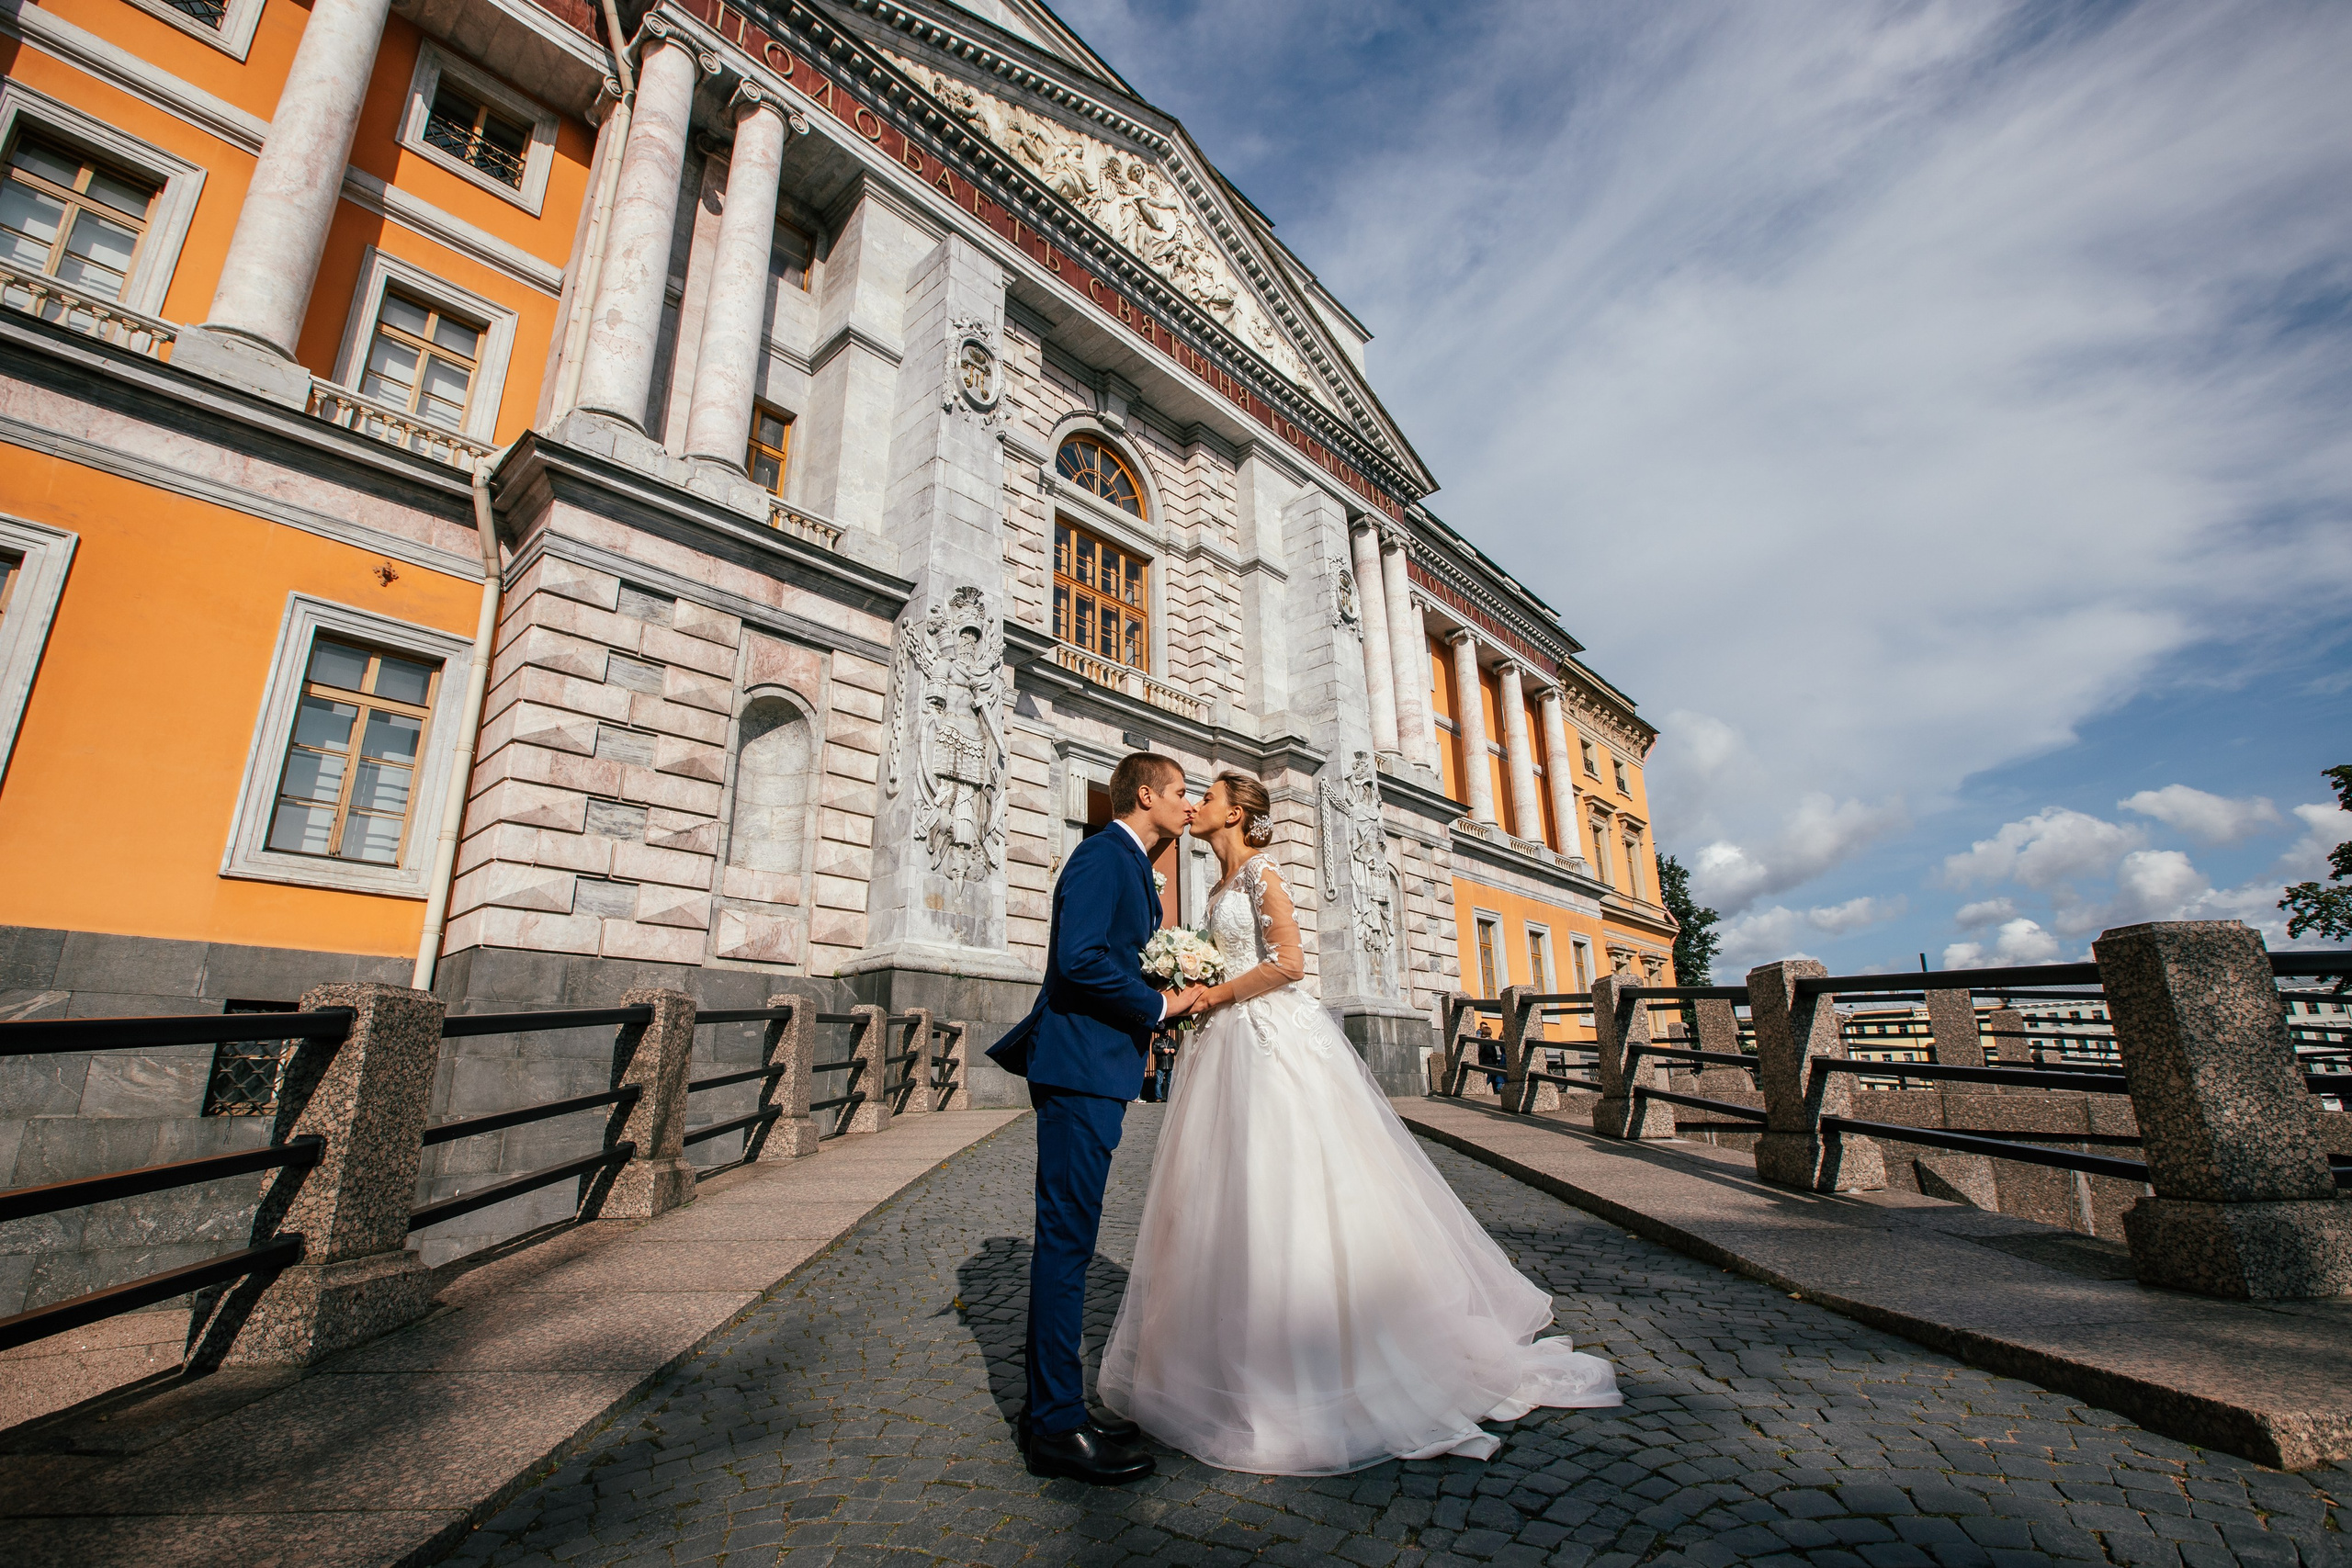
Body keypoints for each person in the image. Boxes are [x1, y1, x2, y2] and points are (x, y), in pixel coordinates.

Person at [1099, 772, 1623, 1475]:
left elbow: (1289, 963)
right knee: (1222, 1194)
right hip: (1225, 1045)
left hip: (1267, 1042)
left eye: (1210, 795)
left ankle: (1314, 1353)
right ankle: (1225, 1352)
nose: (1196, 803)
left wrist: (1212, 995)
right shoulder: (1218, 888)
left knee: (1285, 1187)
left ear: (1238, 812)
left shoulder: (1263, 873)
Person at [987, 750, 1204, 1484]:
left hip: (1094, 1069)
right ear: (1144, 795)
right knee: (1067, 1243)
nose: (1189, 804)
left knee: (1071, 1239)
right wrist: (1159, 1002)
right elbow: (1079, 959)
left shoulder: (1134, 864)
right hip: (1078, 1069)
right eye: (1179, 791)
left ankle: (1050, 1409)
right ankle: (1054, 1426)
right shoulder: (1102, 854)